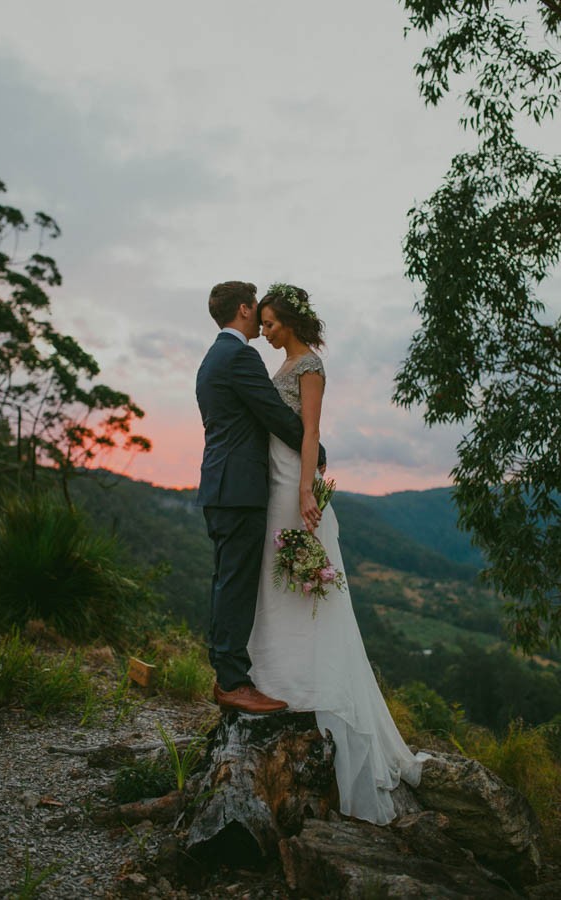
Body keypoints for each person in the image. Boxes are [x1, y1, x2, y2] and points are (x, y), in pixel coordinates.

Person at [247, 282, 425, 825]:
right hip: (271, 477)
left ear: (292, 322)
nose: (266, 330)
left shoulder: (310, 368)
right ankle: (277, 679)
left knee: (299, 580)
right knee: (275, 582)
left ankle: (311, 687)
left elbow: (310, 431)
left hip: (291, 482)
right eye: (263, 322)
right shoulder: (281, 366)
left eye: (272, 322)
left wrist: (306, 491)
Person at [196, 281, 326, 715]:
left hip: (221, 486)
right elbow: (272, 410)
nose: (263, 324)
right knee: (235, 584)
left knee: (227, 581)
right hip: (239, 490)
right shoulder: (239, 356)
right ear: (245, 309)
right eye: (258, 313)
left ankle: (231, 674)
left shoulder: (212, 358)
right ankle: (232, 680)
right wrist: (316, 451)